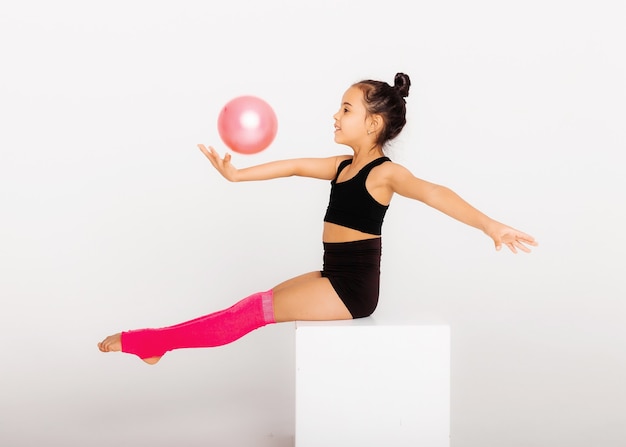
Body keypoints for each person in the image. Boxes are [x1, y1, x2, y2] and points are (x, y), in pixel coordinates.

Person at [98, 72, 537, 365]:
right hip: (334, 274)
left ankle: (151, 343)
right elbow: (292, 166)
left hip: (351, 290)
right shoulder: (341, 165)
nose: (335, 114)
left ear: (373, 124)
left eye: (346, 109)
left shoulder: (385, 173)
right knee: (250, 304)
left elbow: (434, 192)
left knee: (250, 312)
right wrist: (236, 175)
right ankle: (156, 345)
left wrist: (489, 225)